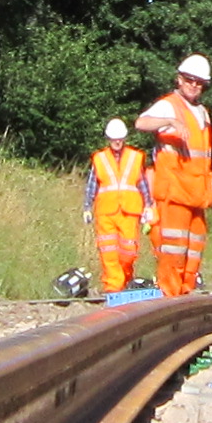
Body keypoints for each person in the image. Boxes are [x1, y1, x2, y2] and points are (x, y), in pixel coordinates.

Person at [136, 55, 212, 296]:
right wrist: (169, 121)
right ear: (179, 79)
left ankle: (185, 296)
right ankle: (170, 296)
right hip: (175, 192)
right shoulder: (169, 105)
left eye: (199, 82)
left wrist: (211, 186)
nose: (193, 85)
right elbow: (141, 123)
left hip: (196, 194)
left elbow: (203, 156)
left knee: (194, 250)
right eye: (189, 80)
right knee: (173, 250)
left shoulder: (203, 113)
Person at [85, 118, 149, 294]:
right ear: (108, 138)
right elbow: (93, 184)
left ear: (125, 138)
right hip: (106, 211)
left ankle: (125, 280)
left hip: (129, 210)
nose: (117, 141)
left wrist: (148, 206)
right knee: (108, 252)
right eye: (114, 138)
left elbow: (142, 183)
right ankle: (113, 288)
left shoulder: (135, 157)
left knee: (128, 252)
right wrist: (86, 207)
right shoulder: (99, 158)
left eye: (120, 138)